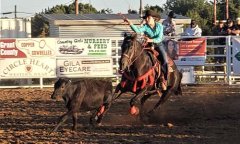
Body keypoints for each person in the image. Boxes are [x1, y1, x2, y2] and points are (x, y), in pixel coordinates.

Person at [123, 9, 168, 90]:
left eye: (148, 18)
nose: (146, 19)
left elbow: (159, 38)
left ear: (153, 18)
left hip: (158, 44)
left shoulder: (160, 26)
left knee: (165, 60)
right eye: (146, 18)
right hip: (149, 44)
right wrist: (130, 23)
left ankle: (164, 79)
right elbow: (138, 30)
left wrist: (150, 40)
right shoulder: (145, 27)